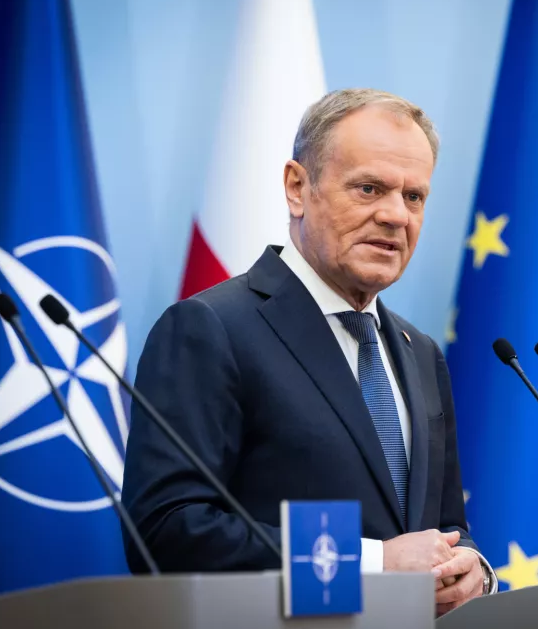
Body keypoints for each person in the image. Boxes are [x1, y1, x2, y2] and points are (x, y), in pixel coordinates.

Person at [122, 88, 496, 615]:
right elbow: (166, 528)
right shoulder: (211, 329)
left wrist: (474, 572)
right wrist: (372, 563)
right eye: (369, 188)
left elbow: (445, 529)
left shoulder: (420, 353)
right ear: (298, 188)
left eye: (414, 197)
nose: (396, 216)